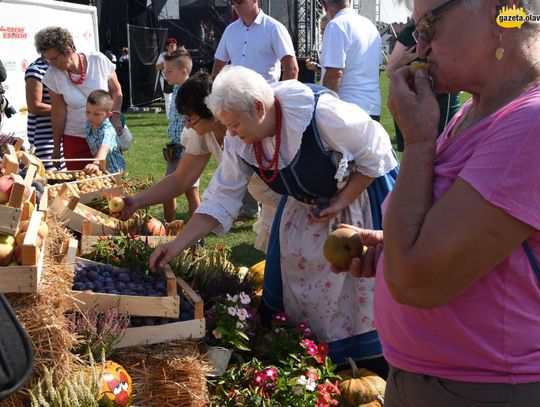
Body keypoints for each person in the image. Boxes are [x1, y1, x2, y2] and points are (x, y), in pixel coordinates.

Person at [338, 0, 540, 404]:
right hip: (433, 380)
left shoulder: (531, 122)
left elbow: (417, 278)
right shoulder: (475, 109)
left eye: (429, 25)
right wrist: (391, 244)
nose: (419, 47)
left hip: (485, 388)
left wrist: (417, 140)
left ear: (503, 12)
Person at [149, 66, 399, 374]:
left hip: (356, 206)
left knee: (352, 294)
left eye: (235, 124)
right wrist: (175, 246)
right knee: (300, 289)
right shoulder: (241, 140)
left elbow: (377, 152)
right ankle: (311, 367)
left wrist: (341, 200)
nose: (231, 133)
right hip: (303, 211)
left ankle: (367, 369)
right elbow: (220, 197)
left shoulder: (320, 114)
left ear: (258, 107)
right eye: (226, 125)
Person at [116, 71, 279, 252]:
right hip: (272, 207)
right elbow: (180, 179)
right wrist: (137, 201)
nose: (187, 126)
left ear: (214, 113)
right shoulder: (204, 132)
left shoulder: (246, 129)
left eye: (191, 119)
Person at [36, 26, 123, 170]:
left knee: (110, 184)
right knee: (80, 186)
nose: (52, 64)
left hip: (103, 135)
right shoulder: (52, 75)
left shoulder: (98, 60)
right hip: (74, 138)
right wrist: (56, 147)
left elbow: (116, 90)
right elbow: (58, 113)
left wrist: (116, 117)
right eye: (47, 60)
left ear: (68, 50)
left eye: (54, 58)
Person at [385, 14, 460, 151]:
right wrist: (403, 59)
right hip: (415, 100)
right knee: (415, 149)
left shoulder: (450, 28)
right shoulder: (409, 33)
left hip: (445, 98)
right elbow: (389, 71)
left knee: (445, 148)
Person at [320, 0, 382, 121]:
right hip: (372, 107)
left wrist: (324, 109)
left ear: (324, 4)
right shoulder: (370, 26)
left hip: (347, 110)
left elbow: (334, 74)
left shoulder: (336, 25)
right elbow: (376, 68)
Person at [212, 0, 299, 84]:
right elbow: (218, 66)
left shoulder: (274, 28)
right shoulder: (230, 30)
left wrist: (283, 96)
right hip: (236, 96)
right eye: (232, 1)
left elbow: (292, 69)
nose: (236, 5)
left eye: (240, 1)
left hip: (265, 96)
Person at [161, 47, 200, 223]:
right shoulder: (176, 89)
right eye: (164, 70)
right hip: (176, 147)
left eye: (169, 71)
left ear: (183, 71)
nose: (165, 74)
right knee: (167, 190)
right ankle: (170, 227)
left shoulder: (192, 91)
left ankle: (196, 235)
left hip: (190, 149)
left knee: (191, 191)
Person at [25, 57, 66, 170]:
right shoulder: (36, 70)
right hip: (45, 139)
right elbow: (34, 106)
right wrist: (65, 109)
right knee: (52, 181)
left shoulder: (62, 67)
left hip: (65, 136)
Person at [83, 89, 125, 175]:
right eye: (88, 112)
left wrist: (95, 164)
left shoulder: (108, 131)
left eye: (96, 114)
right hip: (102, 170)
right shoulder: (88, 124)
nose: (90, 117)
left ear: (108, 115)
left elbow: (104, 148)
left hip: (115, 172)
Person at [155, 37, 178, 118]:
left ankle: (176, 115)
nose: (173, 47)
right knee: (168, 99)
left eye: (175, 46)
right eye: (171, 46)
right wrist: (165, 61)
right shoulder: (163, 55)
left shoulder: (178, 55)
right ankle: (169, 117)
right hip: (166, 79)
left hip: (177, 79)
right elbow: (157, 67)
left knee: (177, 97)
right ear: (167, 47)